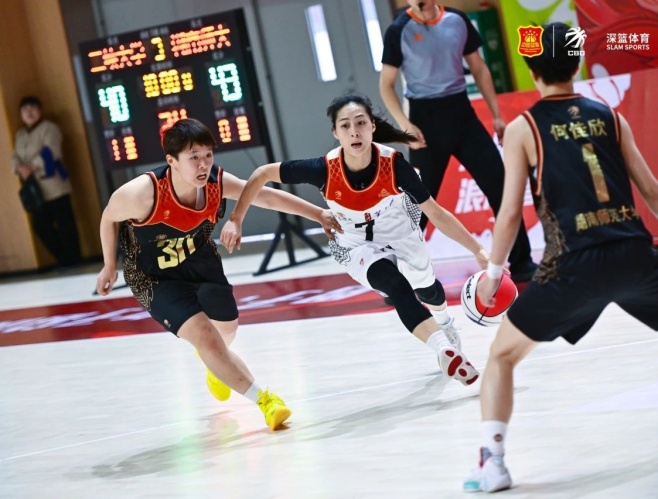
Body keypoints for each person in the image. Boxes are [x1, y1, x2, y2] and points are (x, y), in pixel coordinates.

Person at [462, 22, 658, 492]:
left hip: (573, 267)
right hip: (635, 254)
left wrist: (494, 272)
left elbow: (510, 214)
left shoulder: (523, 128)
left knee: (501, 356)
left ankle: (492, 463)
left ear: (533, 70)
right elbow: (651, 188)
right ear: (576, 64)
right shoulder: (611, 117)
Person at [221, 93, 488, 386]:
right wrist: (235, 218)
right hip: (355, 244)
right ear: (336, 133)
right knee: (396, 287)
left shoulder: (395, 165)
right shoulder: (323, 169)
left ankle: (445, 324)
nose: (354, 132)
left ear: (372, 126)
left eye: (360, 123)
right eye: (345, 126)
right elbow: (262, 173)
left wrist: (477, 250)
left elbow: (435, 213)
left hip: (401, 233)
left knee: (429, 292)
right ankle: (444, 350)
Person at [95, 118, 343, 430]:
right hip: (154, 276)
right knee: (207, 339)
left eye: (208, 155)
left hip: (200, 260)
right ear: (171, 161)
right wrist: (109, 265)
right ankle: (266, 401)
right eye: (194, 158)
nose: (203, 165)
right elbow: (108, 218)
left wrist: (318, 213)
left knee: (226, 332)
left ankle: (217, 367)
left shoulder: (216, 182)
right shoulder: (141, 194)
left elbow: (264, 196)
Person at [379, 0, 537, 283]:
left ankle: (522, 261)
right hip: (424, 123)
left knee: (501, 186)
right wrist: (405, 126)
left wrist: (496, 115)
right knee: (418, 202)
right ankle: (399, 275)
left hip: (463, 116)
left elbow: (479, 68)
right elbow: (386, 84)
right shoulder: (398, 30)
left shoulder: (457, 20)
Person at [11, 95, 82, 268]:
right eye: (25, 109)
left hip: (54, 184)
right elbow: (15, 156)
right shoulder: (20, 134)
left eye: (33, 108)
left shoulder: (49, 128)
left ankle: (73, 259)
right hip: (34, 188)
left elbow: (51, 152)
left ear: (40, 110)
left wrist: (32, 166)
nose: (29, 112)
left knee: (65, 223)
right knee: (41, 226)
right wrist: (19, 168)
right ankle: (63, 258)